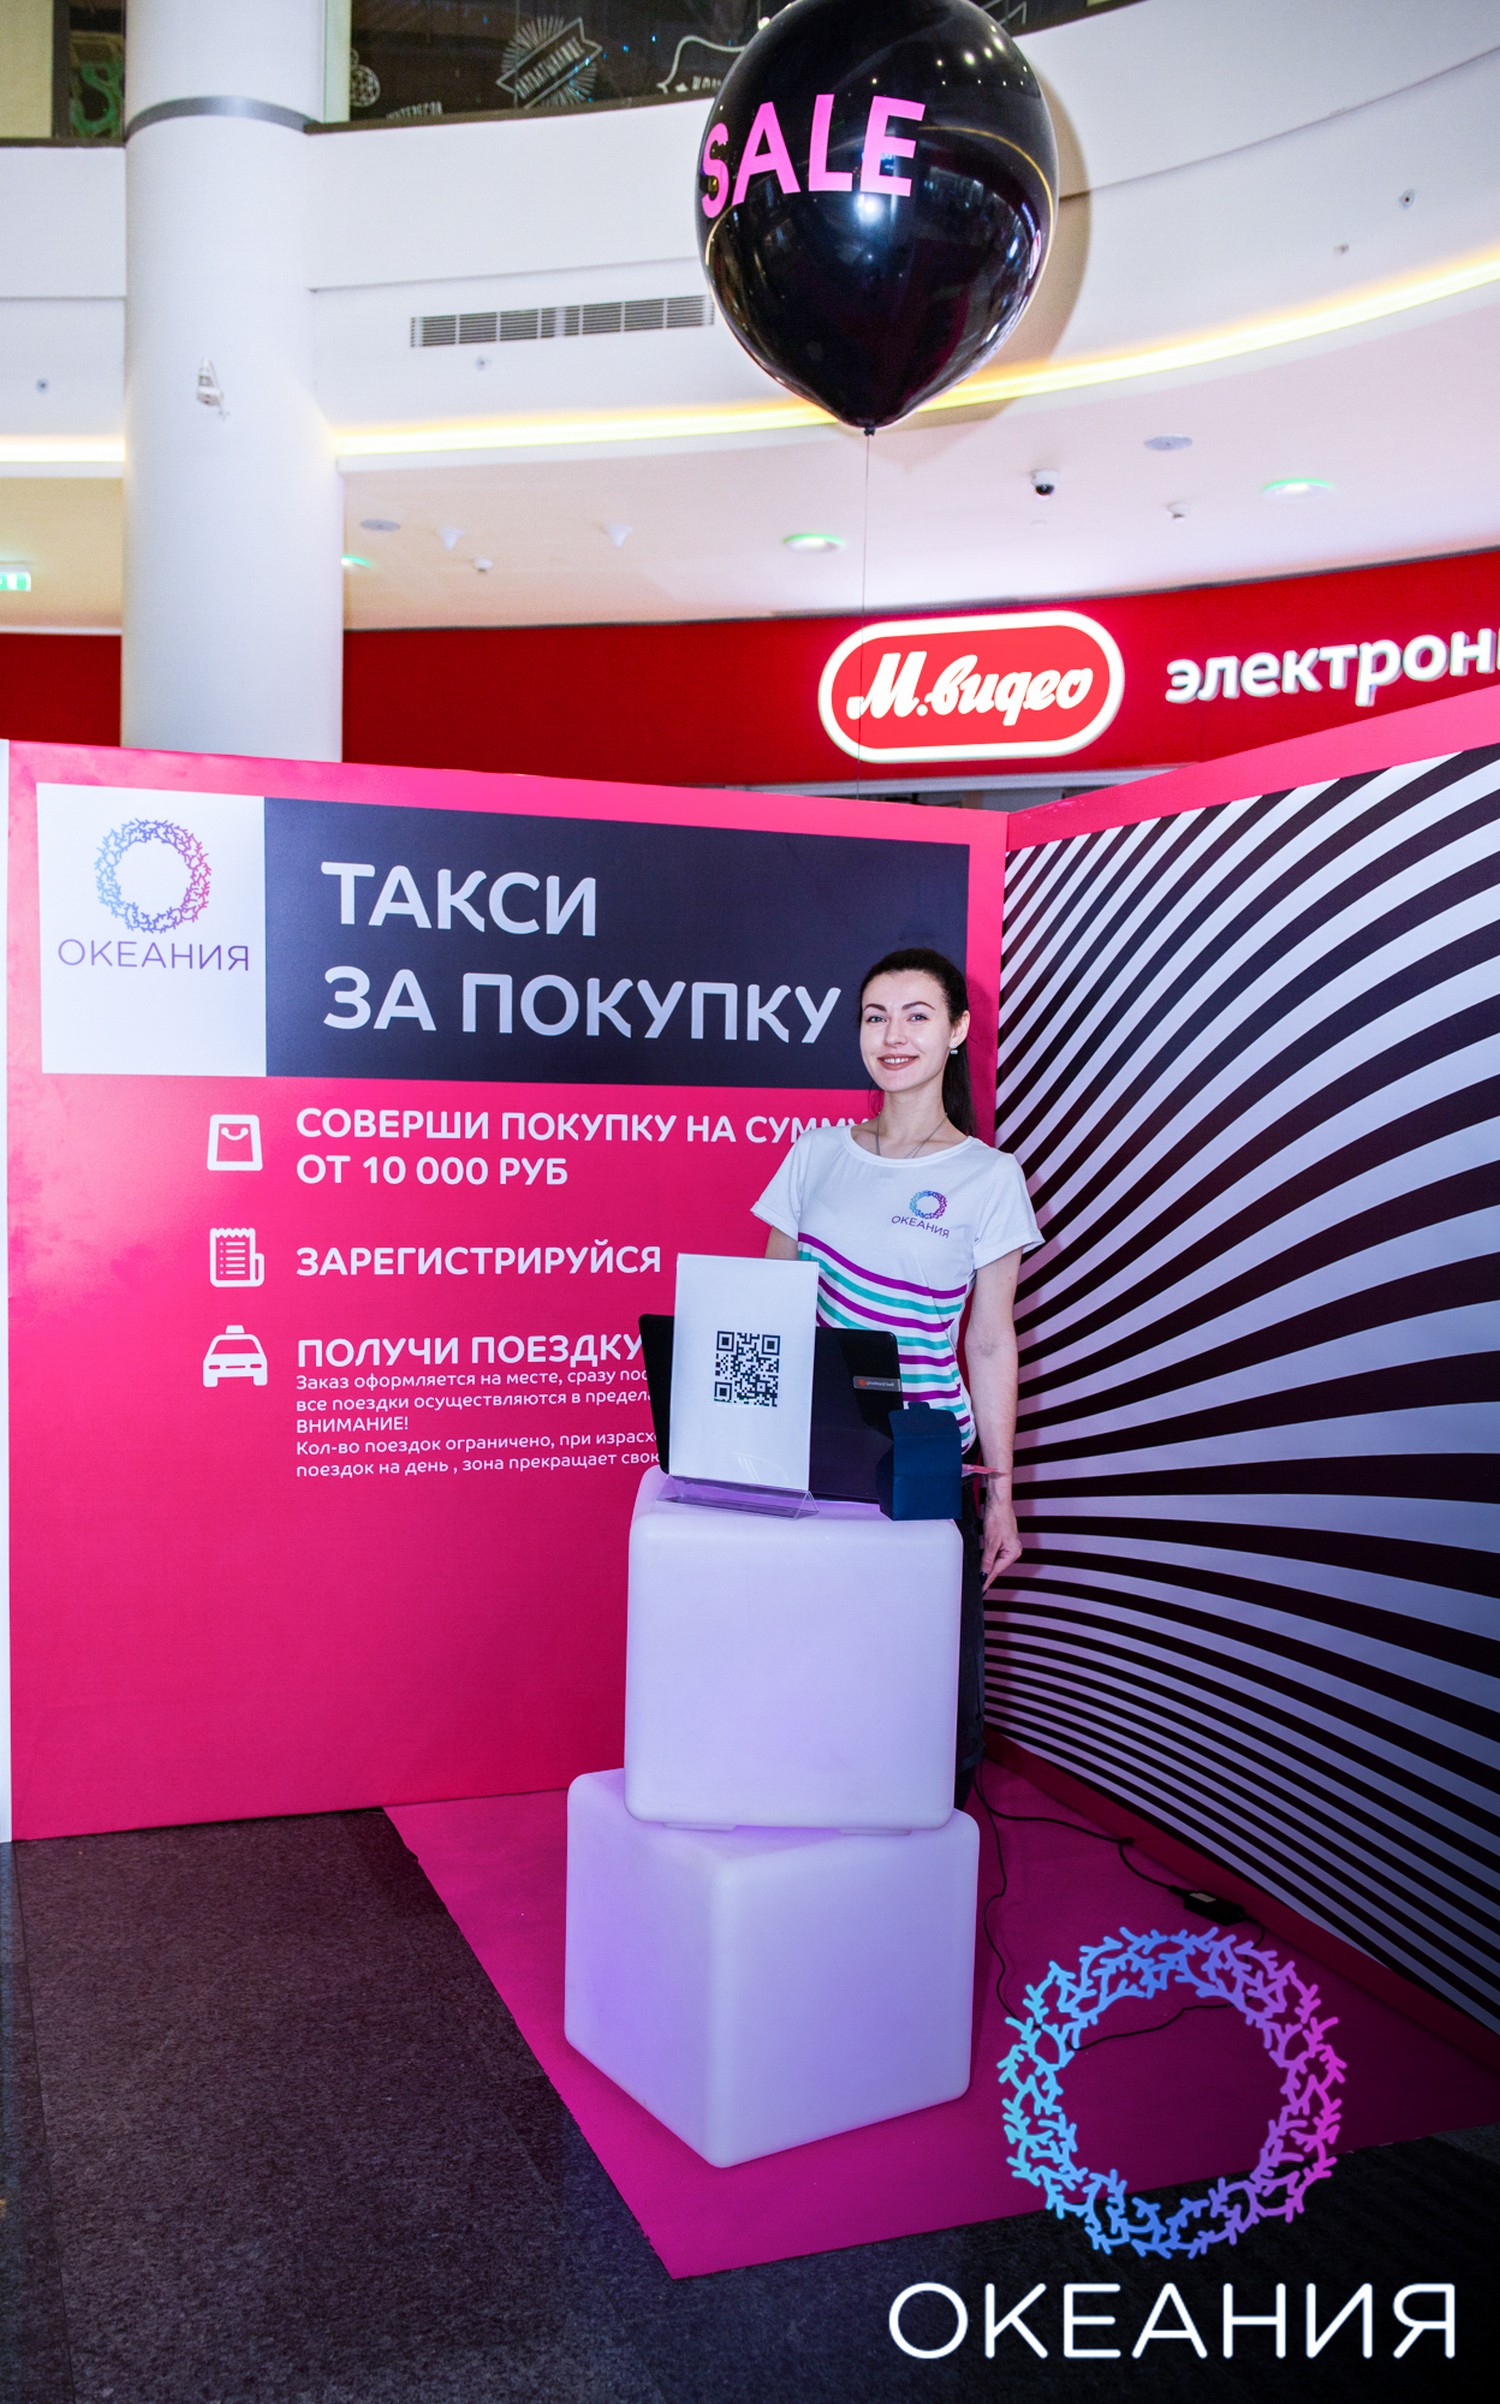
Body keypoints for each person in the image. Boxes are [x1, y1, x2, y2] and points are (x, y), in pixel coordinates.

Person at [750, 946, 1040, 1805]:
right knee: (814, 1656)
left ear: (955, 1031)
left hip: (923, 1454)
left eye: (917, 1015)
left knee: (925, 1682)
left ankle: (924, 1838)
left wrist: (1001, 1489)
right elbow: (768, 1307)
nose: (893, 1035)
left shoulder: (989, 1177)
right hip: (816, 1445)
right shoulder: (814, 1156)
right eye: (876, 1017)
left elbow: (989, 1344)